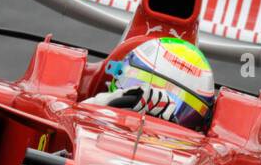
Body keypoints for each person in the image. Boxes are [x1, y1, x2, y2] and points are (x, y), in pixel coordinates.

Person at [85, 36, 216, 130]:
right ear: (118, 74)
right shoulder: (97, 104)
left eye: (177, 103)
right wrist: (100, 103)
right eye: (138, 85)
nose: (149, 108)